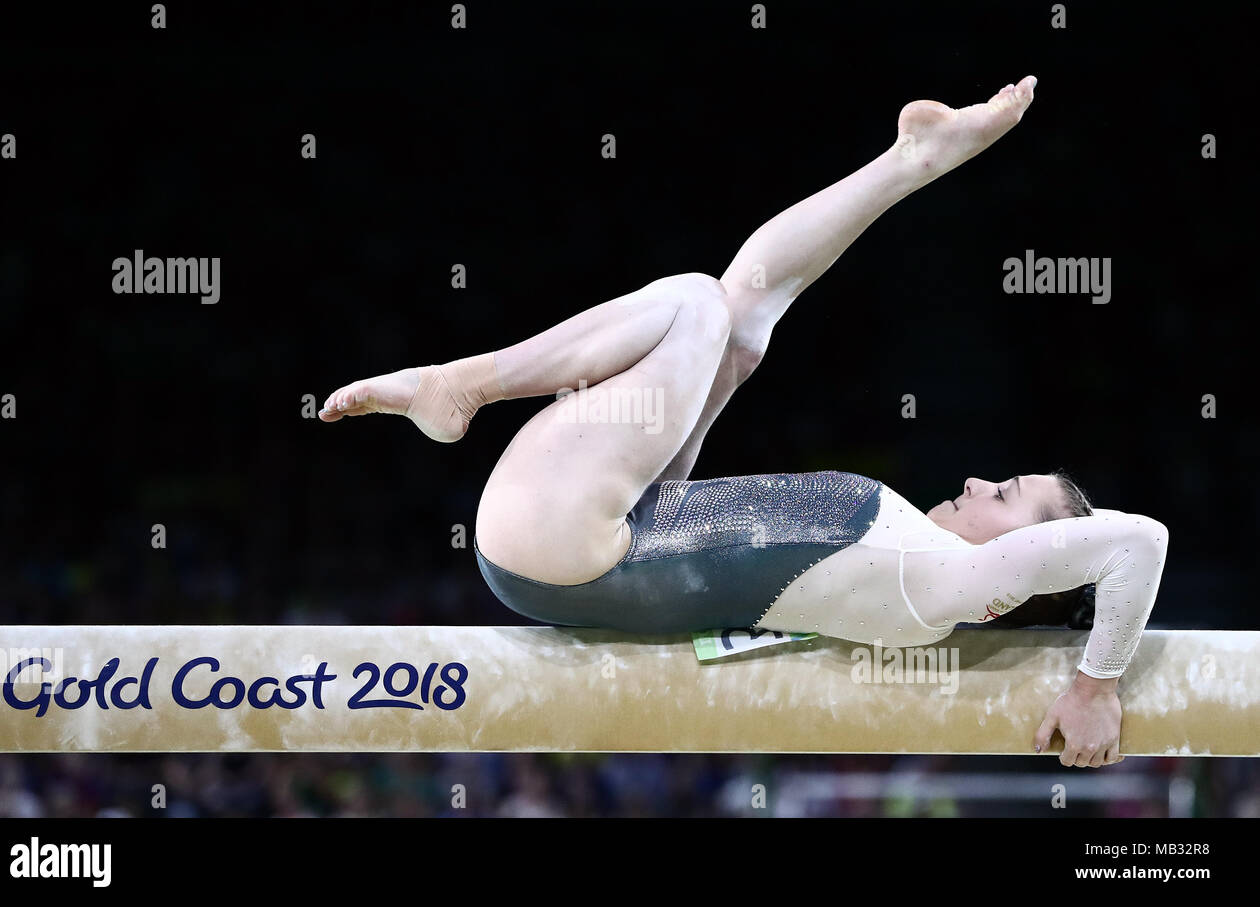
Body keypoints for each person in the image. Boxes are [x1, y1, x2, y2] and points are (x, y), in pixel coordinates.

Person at [320, 76, 1169, 767]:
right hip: (614, 530)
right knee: (739, 317)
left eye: (1010, 494)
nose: (981, 479)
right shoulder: (919, 556)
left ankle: (461, 385)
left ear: (1027, 568)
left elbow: (1140, 542)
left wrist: (1096, 682)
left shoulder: (951, 585)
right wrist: (913, 167)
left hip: (569, 544)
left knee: (691, 302)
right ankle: (912, 158)